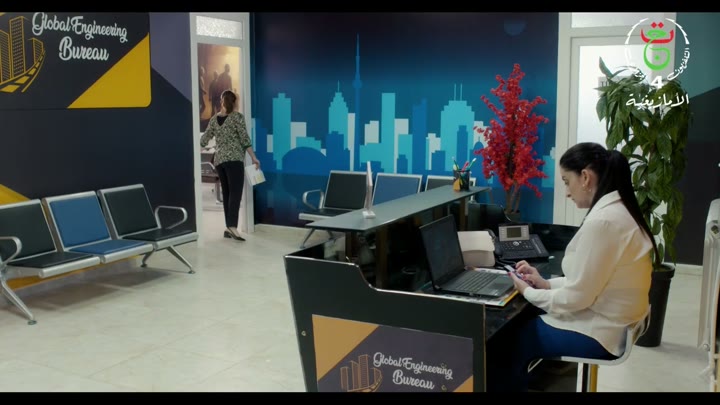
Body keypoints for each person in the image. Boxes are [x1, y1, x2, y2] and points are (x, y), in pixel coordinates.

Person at [486, 142, 658, 392]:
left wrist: (528, 291)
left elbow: (578, 297)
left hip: (604, 332)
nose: (567, 192)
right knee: (523, 321)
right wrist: (546, 284)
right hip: (615, 322)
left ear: (585, 177)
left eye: (567, 182)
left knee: (512, 339)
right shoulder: (618, 210)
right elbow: (590, 280)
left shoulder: (603, 222)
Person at [200, 90, 260, 242]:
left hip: (219, 161)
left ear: (222, 102)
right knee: (235, 193)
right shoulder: (237, 117)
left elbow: (204, 140)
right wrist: (254, 157)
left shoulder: (214, 119)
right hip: (234, 160)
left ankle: (228, 227)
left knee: (227, 194)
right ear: (234, 102)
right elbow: (244, 139)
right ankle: (233, 226)